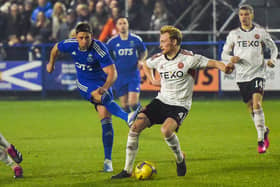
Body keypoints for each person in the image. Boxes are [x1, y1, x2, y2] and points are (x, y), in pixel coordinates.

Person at [111, 25, 234, 179]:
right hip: (161, 100)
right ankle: (127, 171)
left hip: (180, 105)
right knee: (135, 127)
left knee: (166, 130)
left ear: (174, 42)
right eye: (160, 41)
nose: (160, 44)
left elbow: (215, 63)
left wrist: (225, 68)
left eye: (163, 41)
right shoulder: (159, 59)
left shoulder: (190, 59)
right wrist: (152, 80)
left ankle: (179, 158)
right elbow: (146, 65)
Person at [46, 22, 141, 172]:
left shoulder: (99, 49)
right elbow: (55, 48)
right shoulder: (70, 44)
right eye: (81, 38)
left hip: (101, 82)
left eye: (87, 38)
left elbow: (113, 73)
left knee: (105, 116)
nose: (84, 41)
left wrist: (105, 88)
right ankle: (127, 117)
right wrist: (51, 63)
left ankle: (108, 161)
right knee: (98, 96)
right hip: (84, 83)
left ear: (92, 37)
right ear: (76, 37)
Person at [221, 4, 278, 154]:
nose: (244, 17)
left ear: (252, 15)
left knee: (257, 103)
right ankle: (264, 130)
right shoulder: (233, 34)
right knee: (251, 109)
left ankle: (260, 140)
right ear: (239, 16)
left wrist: (273, 60)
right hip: (241, 75)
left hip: (258, 72)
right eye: (241, 14)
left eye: (246, 14)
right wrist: (231, 58)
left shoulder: (260, 32)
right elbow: (224, 54)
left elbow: (273, 48)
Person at [107, 17, 147, 113]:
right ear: (117, 26)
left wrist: (141, 60)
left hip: (133, 75)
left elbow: (144, 51)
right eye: (120, 24)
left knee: (133, 103)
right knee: (124, 106)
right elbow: (106, 55)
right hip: (120, 76)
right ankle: (133, 123)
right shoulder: (112, 42)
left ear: (128, 25)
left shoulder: (136, 39)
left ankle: (145, 116)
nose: (122, 26)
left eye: (124, 23)